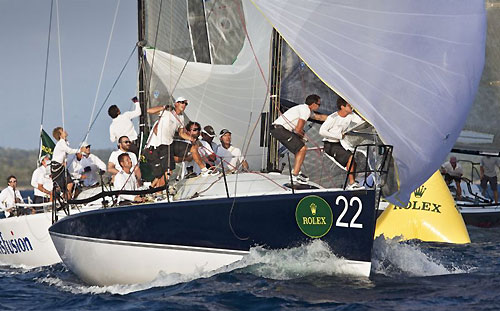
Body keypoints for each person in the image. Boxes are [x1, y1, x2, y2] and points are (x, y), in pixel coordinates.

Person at [147, 97, 208, 187]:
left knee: (193, 148)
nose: (184, 105)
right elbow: (149, 111)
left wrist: (191, 138)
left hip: (171, 143)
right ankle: (158, 192)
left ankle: (204, 170)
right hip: (161, 146)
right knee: (168, 171)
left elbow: (181, 133)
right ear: (176, 104)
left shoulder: (181, 117)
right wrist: (164, 107)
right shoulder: (167, 113)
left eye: (185, 103)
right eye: (182, 102)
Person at [270, 94, 327, 184]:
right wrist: (303, 137)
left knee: (299, 149)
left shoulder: (304, 109)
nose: (319, 106)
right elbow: (298, 129)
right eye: (319, 104)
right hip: (279, 129)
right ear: (313, 104)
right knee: (302, 148)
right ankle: (295, 175)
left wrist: (336, 117)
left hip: (277, 129)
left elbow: (319, 117)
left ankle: (297, 171)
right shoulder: (305, 111)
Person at [319, 97, 365, 189]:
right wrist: (339, 136)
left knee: (353, 162)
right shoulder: (332, 118)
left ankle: (352, 183)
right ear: (342, 107)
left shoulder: (351, 115)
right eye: (349, 105)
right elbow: (322, 131)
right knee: (350, 157)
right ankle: (352, 184)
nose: (351, 107)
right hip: (329, 144)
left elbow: (361, 122)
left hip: (338, 144)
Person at [51, 127, 86, 200]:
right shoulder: (61, 142)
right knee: (62, 186)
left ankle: (67, 200)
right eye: (63, 131)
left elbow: (65, 154)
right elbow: (69, 151)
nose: (65, 131)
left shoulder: (65, 142)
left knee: (70, 184)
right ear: (60, 135)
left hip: (61, 166)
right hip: (56, 167)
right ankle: (63, 201)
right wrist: (80, 150)